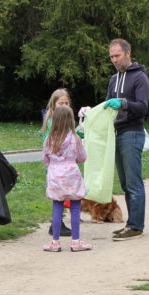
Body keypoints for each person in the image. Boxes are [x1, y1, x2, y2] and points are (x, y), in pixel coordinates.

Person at [104, 38, 149, 241]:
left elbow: (142, 107)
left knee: (133, 183)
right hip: (116, 133)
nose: (114, 60)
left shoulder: (140, 77)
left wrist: (123, 104)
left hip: (132, 133)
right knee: (125, 183)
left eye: (117, 55)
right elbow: (107, 106)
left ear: (128, 53)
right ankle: (131, 224)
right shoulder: (114, 79)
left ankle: (135, 226)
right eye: (111, 57)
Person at [42, 105, 91, 252]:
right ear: (71, 120)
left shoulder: (49, 139)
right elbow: (82, 157)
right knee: (75, 207)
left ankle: (55, 242)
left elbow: (45, 159)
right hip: (72, 175)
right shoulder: (75, 138)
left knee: (57, 207)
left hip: (55, 176)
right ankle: (75, 241)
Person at [41, 88, 73, 238]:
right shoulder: (52, 121)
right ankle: (56, 225)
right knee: (58, 196)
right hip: (56, 165)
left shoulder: (65, 120)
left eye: (67, 103)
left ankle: (57, 224)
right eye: (61, 103)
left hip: (62, 165)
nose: (64, 106)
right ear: (53, 105)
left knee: (61, 195)